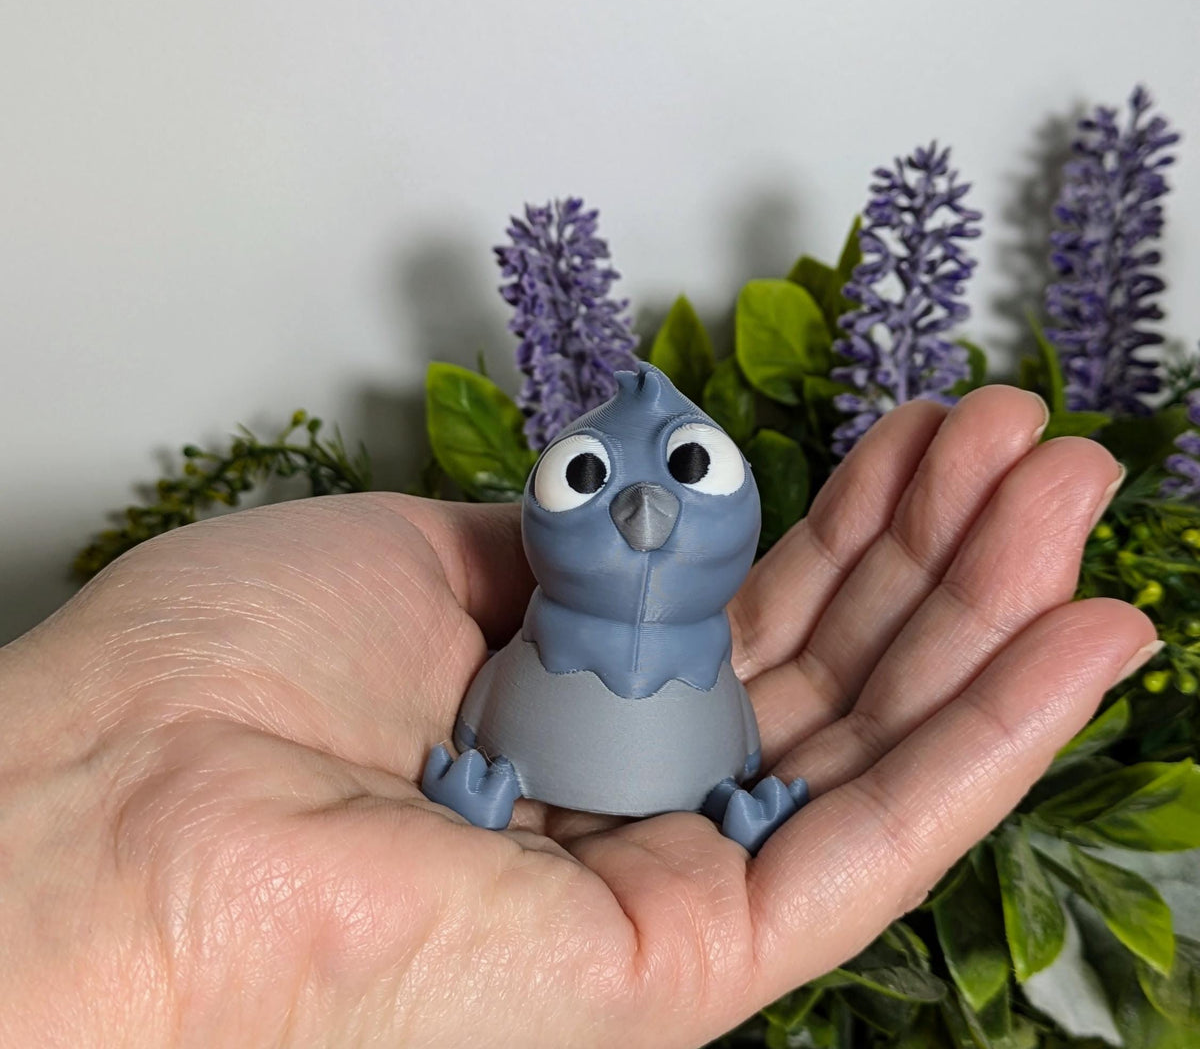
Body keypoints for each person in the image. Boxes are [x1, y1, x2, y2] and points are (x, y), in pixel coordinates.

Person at [0, 386, 1156, 1047]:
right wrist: (468, 791)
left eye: (682, 472)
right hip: (544, 727)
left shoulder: (714, 641)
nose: (644, 509)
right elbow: (498, 688)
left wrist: (743, 801)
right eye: (597, 480)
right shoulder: (535, 613)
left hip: (702, 745)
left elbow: (737, 721)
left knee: (734, 750)